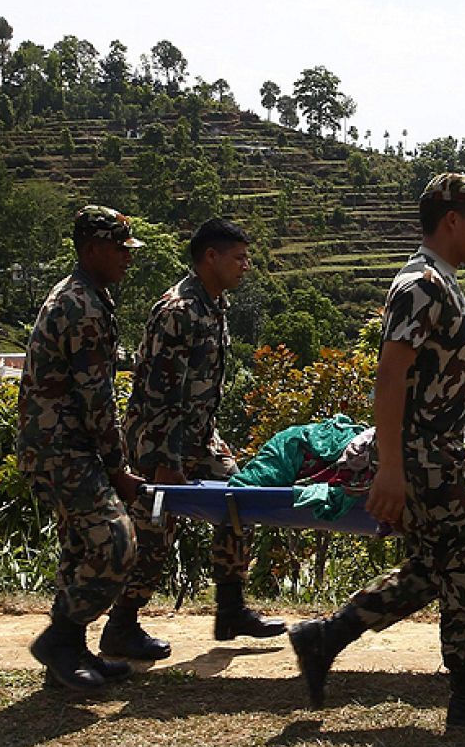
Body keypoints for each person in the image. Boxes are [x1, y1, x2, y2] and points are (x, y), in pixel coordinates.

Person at [288, 173, 465, 729]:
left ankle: (324, 638)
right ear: (452, 219)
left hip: (431, 457)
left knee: (431, 571)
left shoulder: (438, 282)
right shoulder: (422, 284)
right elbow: (390, 377)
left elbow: (435, 374)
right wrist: (391, 471)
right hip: (424, 461)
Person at [104, 218, 284, 660]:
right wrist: (167, 461)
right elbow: (160, 393)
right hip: (158, 443)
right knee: (153, 535)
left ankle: (230, 609)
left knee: (239, 501)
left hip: (200, 439)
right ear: (211, 257)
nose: (246, 266)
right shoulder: (179, 310)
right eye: (238, 258)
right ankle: (121, 626)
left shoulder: (213, 305)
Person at [17, 205, 146, 692]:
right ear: (92, 250)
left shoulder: (85, 296)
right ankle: (61, 639)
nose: (126, 260)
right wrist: (118, 469)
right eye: (119, 250)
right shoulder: (82, 305)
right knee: (115, 541)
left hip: (61, 445)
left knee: (79, 546)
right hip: (61, 447)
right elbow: (97, 401)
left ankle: (68, 653)